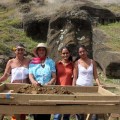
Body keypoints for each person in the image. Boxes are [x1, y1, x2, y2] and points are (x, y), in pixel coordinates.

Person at [0, 43, 30, 120]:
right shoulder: (11, 62)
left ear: (24, 51)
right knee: (14, 109)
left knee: (23, 111)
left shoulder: (28, 61)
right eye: (18, 50)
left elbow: (32, 74)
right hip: (13, 89)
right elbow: (5, 76)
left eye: (22, 50)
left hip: (25, 89)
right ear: (15, 51)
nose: (20, 51)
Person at [72, 45, 102, 120]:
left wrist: (99, 85)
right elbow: (75, 77)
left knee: (93, 110)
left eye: (83, 51)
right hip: (79, 87)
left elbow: (96, 76)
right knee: (80, 110)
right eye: (80, 52)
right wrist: (73, 87)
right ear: (79, 54)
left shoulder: (92, 62)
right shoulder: (77, 63)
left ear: (86, 51)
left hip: (90, 89)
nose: (82, 53)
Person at [29, 42, 56, 120]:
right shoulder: (32, 62)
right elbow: (30, 75)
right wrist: (34, 82)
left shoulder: (50, 62)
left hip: (47, 90)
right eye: (39, 50)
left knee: (46, 112)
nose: (41, 51)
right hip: (35, 90)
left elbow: (54, 76)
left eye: (43, 50)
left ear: (45, 51)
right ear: (37, 51)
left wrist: (50, 83)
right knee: (36, 112)